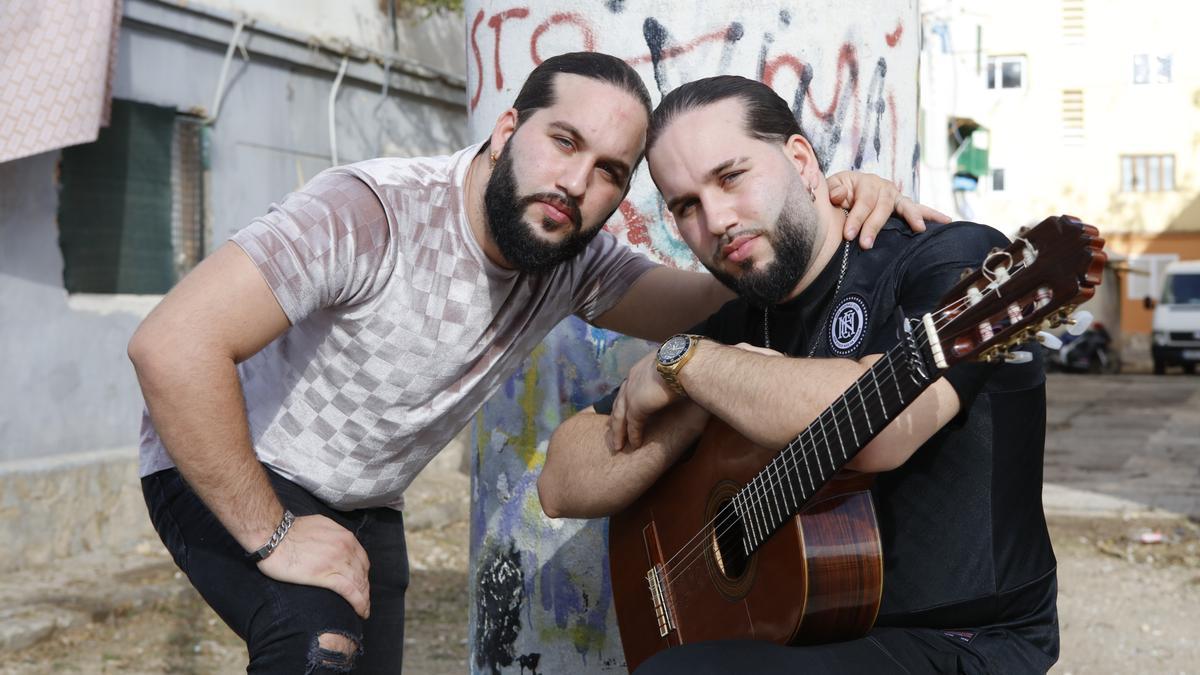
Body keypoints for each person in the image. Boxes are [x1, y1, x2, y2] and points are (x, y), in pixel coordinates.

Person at [128, 51, 941, 673]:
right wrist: (273, 536)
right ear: (509, 129)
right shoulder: (370, 212)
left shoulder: (570, 259)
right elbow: (171, 344)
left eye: (610, 173)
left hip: (363, 500)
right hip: (228, 463)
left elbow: (721, 290)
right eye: (564, 141)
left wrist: (829, 203)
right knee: (317, 644)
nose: (576, 183)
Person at [539, 75, 1058, 674]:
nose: (717, 218)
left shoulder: (952, 260)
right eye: (686, 206)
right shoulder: (741, 321)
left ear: (800, 158)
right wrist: (700, 398)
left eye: (730, 177)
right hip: (809, 630)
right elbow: (562, 483)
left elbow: (881, 430)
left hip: (960, 639)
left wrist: (687, 363)